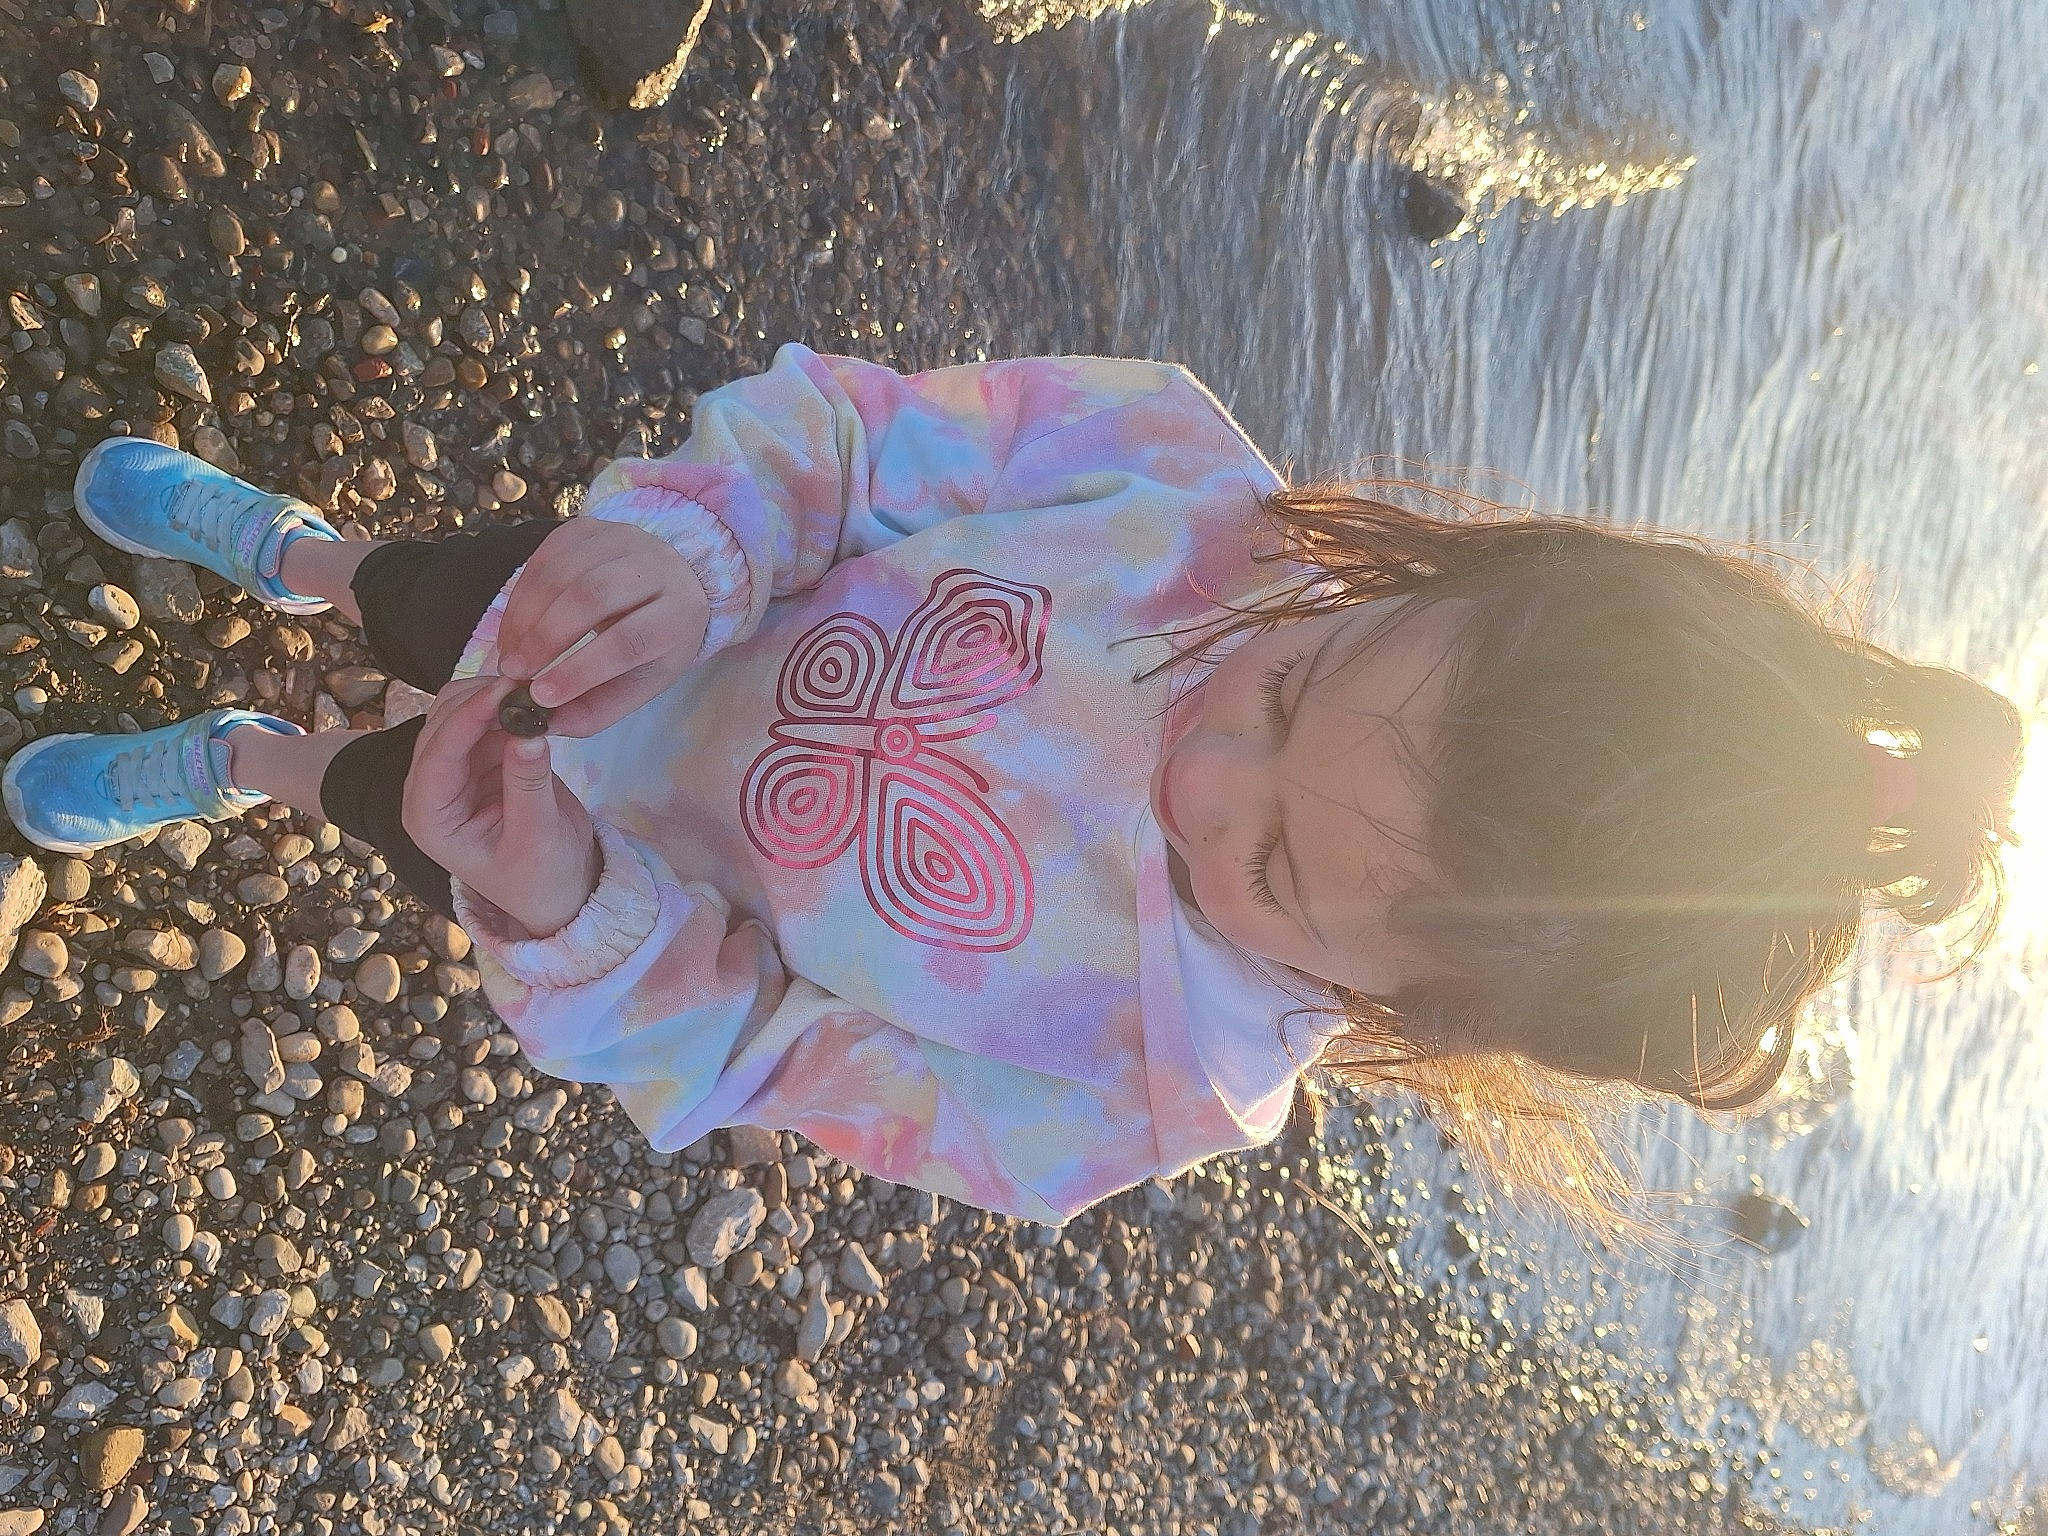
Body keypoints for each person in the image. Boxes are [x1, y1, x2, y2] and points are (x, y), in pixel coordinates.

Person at [3, 342, 2026, 1227]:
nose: (1199, 758)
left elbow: (754, 1054)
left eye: (1273, 859)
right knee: (438, 591)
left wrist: (556, 908)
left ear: (1408, 1006)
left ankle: (239, 764)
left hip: (596, 851)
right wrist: (695, 544)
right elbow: (855, 442)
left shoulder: (1127, 1091)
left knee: (384, 805)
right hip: (629, 621)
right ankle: (295, 552)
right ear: (1455, 570)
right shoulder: (1171, 475)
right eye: (1290, 687)